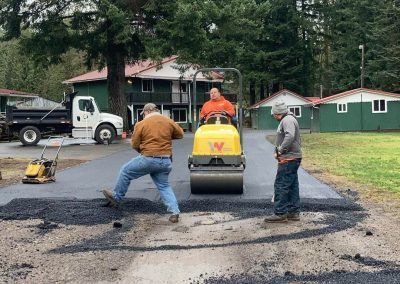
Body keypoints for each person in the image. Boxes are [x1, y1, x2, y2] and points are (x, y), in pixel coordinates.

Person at [102, 103, 184, 223]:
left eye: (144, 113)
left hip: (149, 158)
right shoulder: (168, 121)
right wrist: (166, 137)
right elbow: (180, 134)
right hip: (166, 160)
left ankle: (116, 196)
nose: (143, 115)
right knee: (164, 186)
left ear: (148, 111)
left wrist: (142, 150)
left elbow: (134, 143)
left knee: (125, 171)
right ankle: (174, 212)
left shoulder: (141, 124)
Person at [264, 101, 302, 223]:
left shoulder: (287, 120)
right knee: (292, 185)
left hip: (289, 157)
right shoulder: (289, 119)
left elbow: (290, 136)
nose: (273, 116)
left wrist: (280, 150)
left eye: (274, 114)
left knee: (281, 185)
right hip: (291, 157)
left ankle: (280, 213)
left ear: (277, 113)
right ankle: (293, 212)